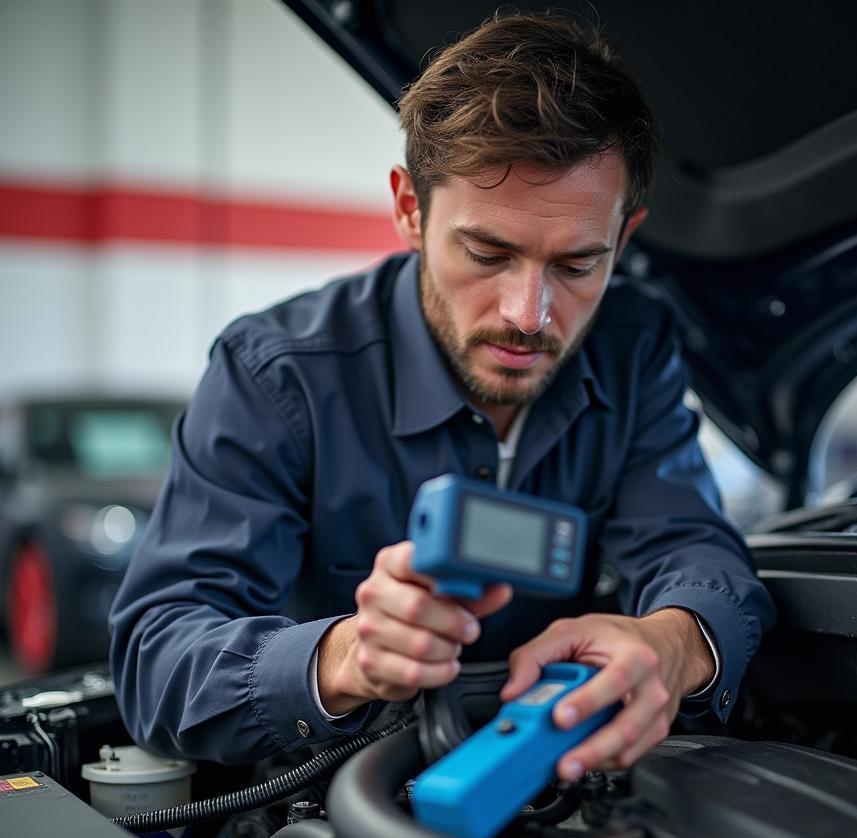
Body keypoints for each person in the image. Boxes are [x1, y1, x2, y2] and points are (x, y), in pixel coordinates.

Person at [109, 11, 775, 776]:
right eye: (488, 253)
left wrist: (676, 639)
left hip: (560, 782)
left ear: (624, 240)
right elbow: (153, 658)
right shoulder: (275, 374)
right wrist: (343, 657)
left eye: (578, 264)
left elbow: (688, 541)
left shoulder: (636, 347)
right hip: (325, 804)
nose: (530, 315)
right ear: (409, 209)